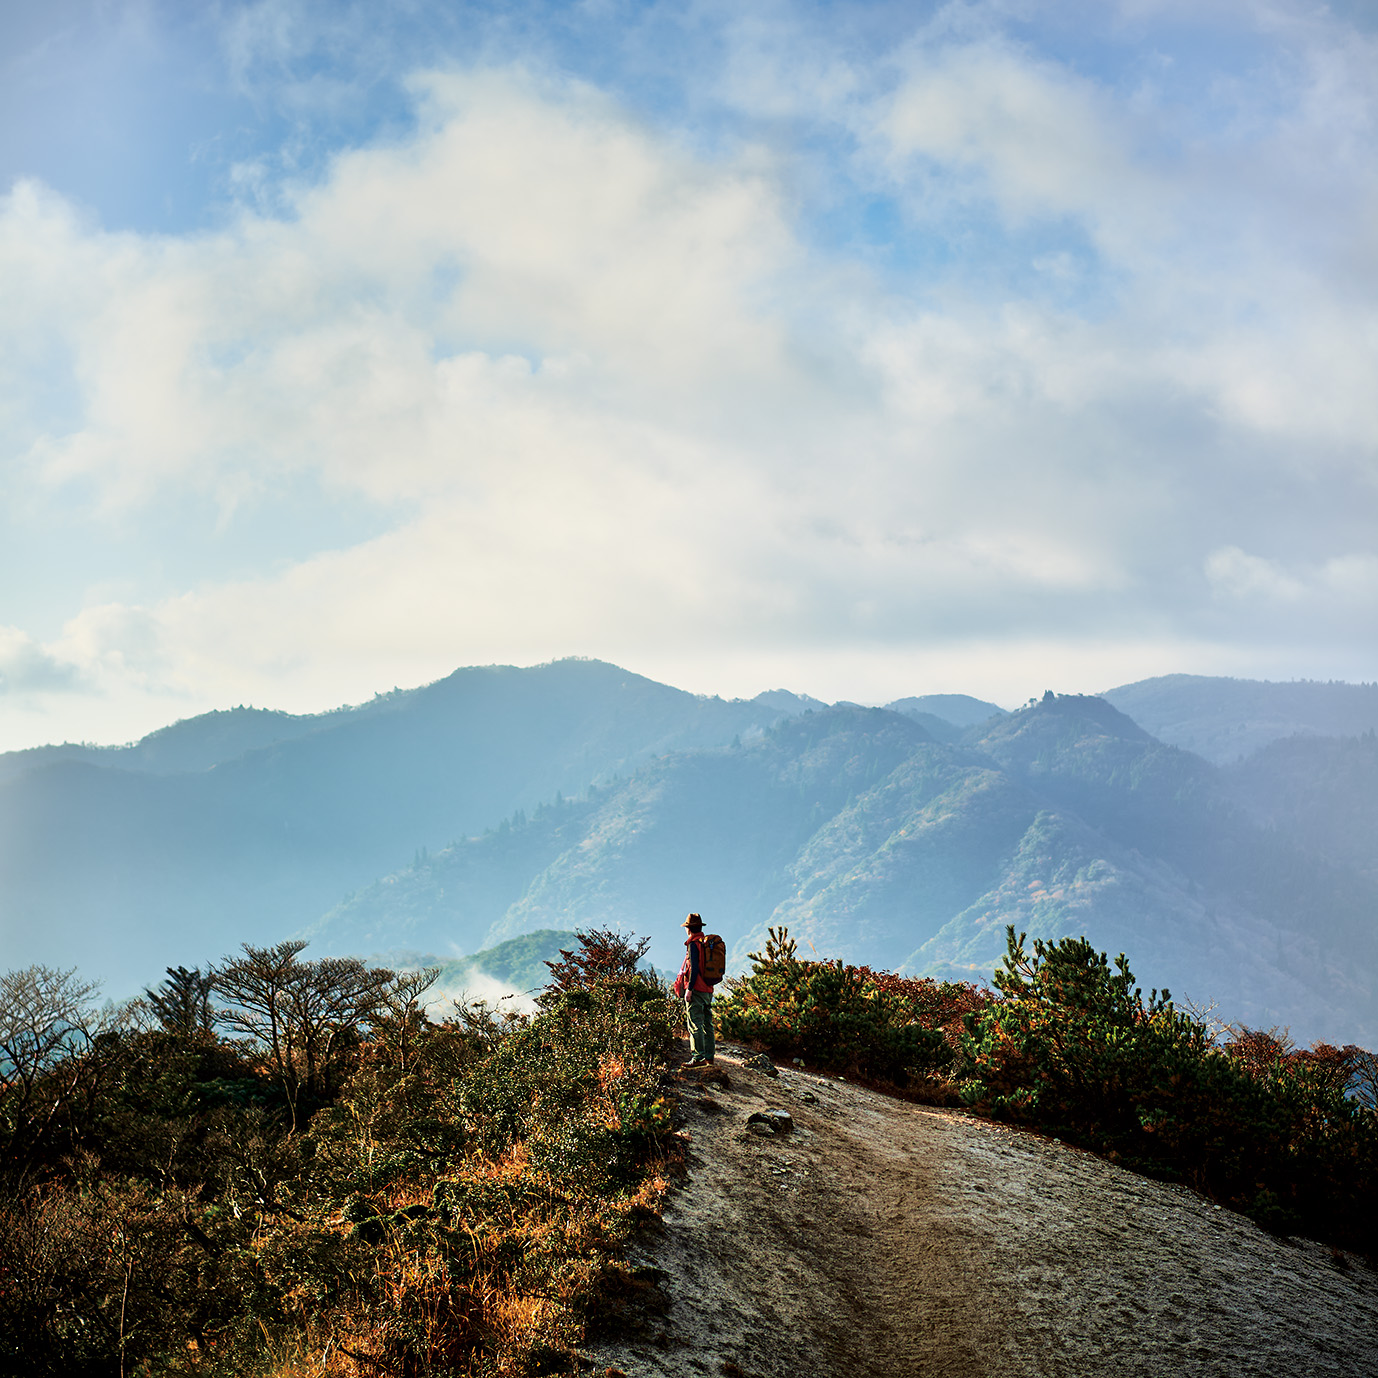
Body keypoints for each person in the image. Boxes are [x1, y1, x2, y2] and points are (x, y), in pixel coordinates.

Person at [672, 912, 715, 1066]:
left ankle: (698, 1058)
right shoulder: (706, 943)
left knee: (695, 1023)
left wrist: (689, 989)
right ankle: (709, 1057)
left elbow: (694, 968)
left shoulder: (693, 944)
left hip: (696, 989)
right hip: (708, 989)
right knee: (708, 1024)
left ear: (689, 929)